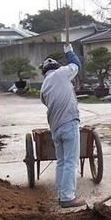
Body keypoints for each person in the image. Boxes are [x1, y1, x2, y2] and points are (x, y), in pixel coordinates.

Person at [40, 42, 86, 208]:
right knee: (70, 162)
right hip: (69, 123)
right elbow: (76, 65)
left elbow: (47, 103)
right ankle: (67, 198)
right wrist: (69, 52)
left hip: (55, 128)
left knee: (61, 161)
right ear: (57, 67)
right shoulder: (62, 73)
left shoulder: (44, 86)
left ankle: (61, 193)